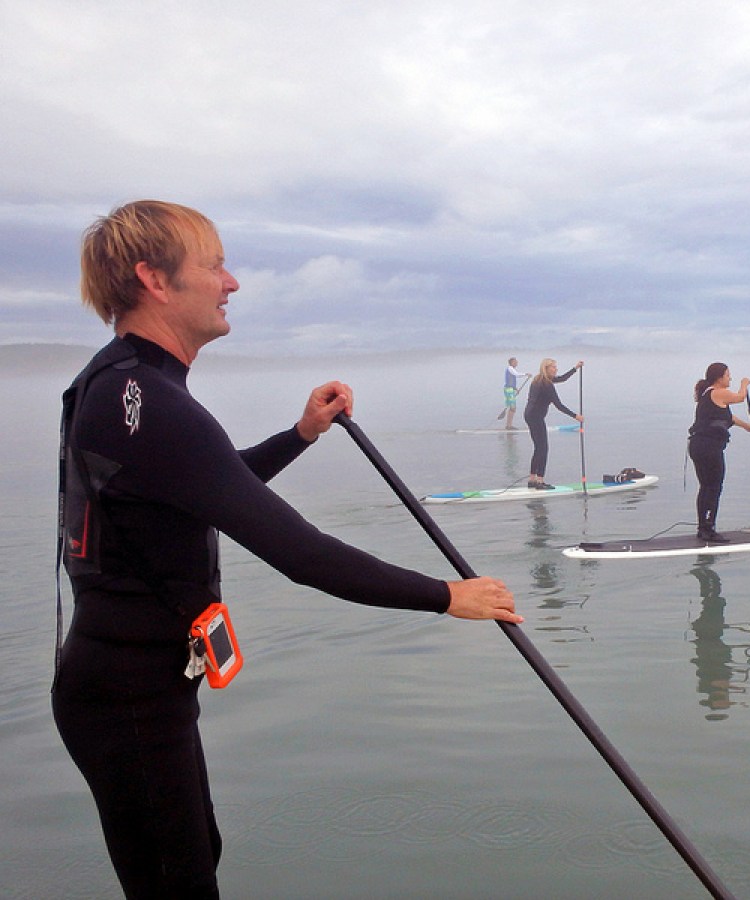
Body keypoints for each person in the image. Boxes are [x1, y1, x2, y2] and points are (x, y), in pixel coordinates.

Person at [52, 200, 522, 899]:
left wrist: (300, 434)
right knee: (178, 883)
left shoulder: (125, 385)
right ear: (155, 279)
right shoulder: (150, 401)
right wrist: (445, 595)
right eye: (214, 266)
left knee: (190, 861)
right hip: (126, 693)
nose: (231, 281)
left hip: (132, 683)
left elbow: (204, 482)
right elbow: (299, 553)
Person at [688, 362, 750, 543]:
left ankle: (703, 528)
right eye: (728, 375)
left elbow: (728, 417)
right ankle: (708, 530)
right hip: (709, 448)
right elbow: (741, 397)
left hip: (697, 446)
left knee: (706, 487)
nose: (730, 378)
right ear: (719, 378)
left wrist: (748, 427)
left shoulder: (708, 394)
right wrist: (745, 384)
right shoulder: (719, 392)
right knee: (714, 487)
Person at [524, 357, 583, 489]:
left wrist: (575, 368)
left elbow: (562, 378)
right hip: (536, 417)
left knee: (538, 448)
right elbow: (559, 405)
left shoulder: (538, 379)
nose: (556, 369)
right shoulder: (547, 385)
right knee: (543, 448)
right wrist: (575, 416)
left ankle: (532, 480)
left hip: (529, 415)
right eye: (554, 367)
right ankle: (540, 481)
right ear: (546, 369)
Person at [503, 357, 529, 428]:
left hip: (510, 389)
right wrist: (526, 374)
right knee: (512, 408)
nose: (517, 363)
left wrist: (515, 389)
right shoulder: (510, 368)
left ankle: (509, 425)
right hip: (508, 390)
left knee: (512, 408)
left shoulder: (511, 369)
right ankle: (509, 425)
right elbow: (517, 375)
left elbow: (511, 380)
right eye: (515, 362)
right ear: (512, 362)